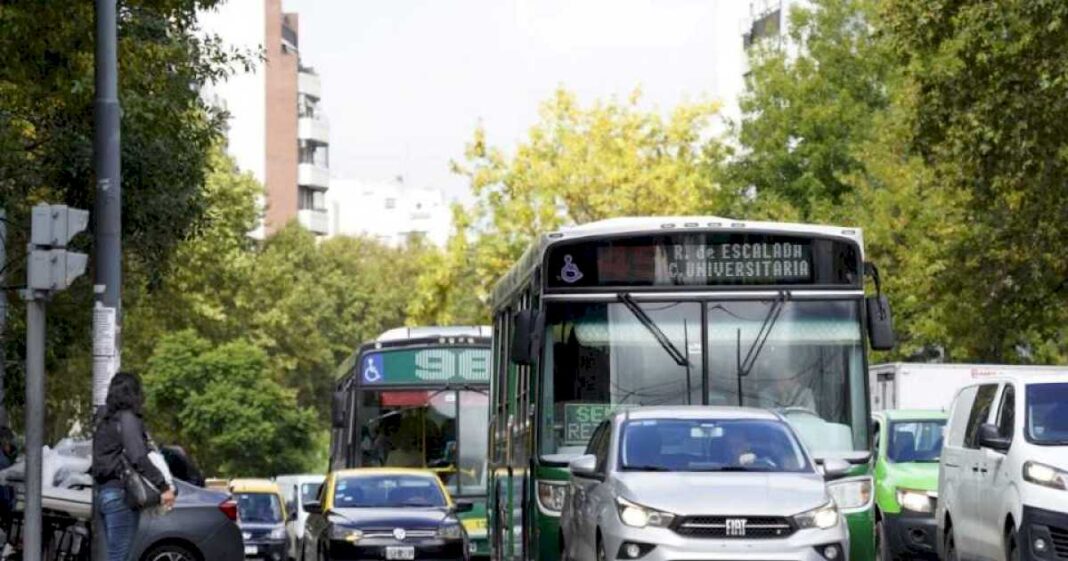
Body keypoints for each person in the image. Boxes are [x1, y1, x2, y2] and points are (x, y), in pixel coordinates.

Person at [90, 372, 176, 561]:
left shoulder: (103, 418)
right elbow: (138, 456)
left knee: (114, 555)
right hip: (122, 495)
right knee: (120, 557)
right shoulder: (127, 419)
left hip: (104, 493)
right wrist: (163, 486)